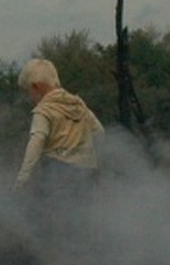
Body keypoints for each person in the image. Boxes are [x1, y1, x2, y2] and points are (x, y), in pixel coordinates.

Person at [13, 58, 103, 193]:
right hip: (86, 174)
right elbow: (99, 132)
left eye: (28, 91)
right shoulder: (79, 105)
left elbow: (36, 141)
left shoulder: (43, 110)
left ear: (36, 86)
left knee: (48, 212)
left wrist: (22, 179)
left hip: (57, 173)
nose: (30, 97)